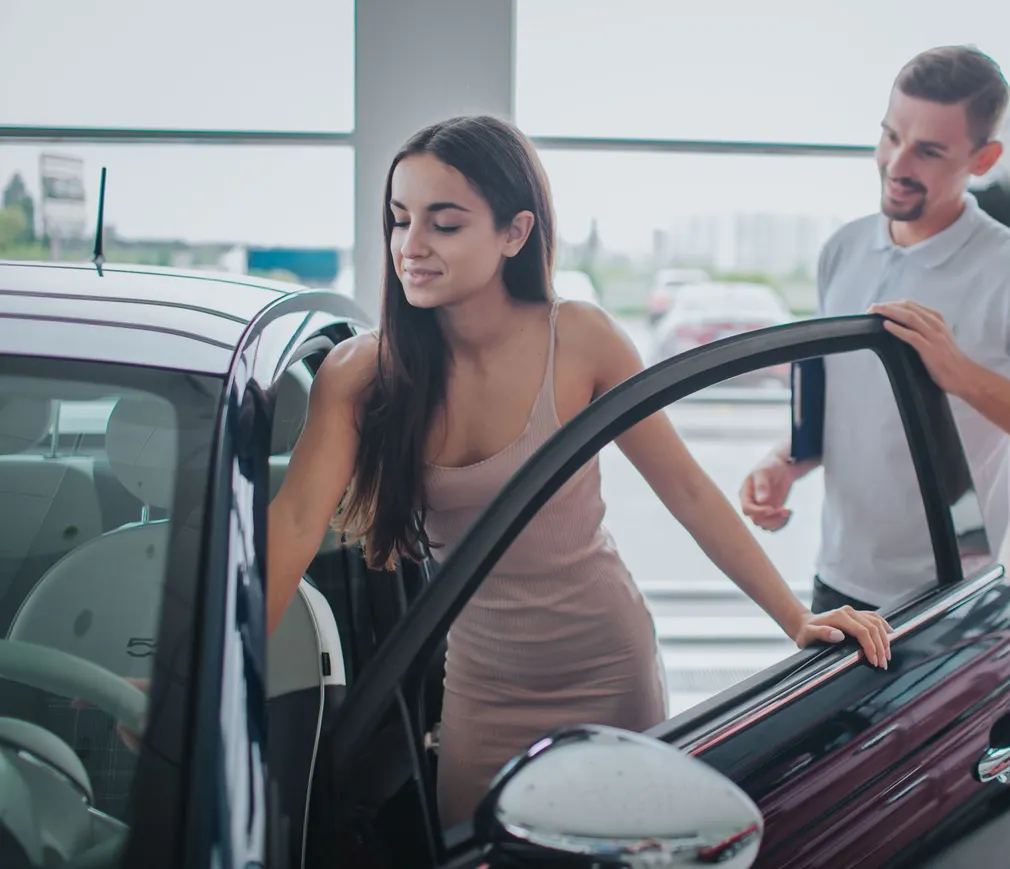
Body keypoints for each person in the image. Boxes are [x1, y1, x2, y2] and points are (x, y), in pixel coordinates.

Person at [262, 116, 893, 827]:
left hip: (607, 671)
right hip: (481, 688)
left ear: (514, 232)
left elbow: (685, 488)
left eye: (444, 224)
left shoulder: (582, 339)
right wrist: (214, 676)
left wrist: (795, 616)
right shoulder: (361, 374)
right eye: (399, 219)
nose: (411, 246)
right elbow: (290, 522)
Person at [740, 45, 1010, 614]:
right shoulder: (843, 250)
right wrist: (785, 462)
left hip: (947, 599)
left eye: (928, 151)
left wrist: (965, 378)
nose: (897, 164)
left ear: (983, 159)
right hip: (835, 589)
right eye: (890, 136)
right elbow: (844, 408)